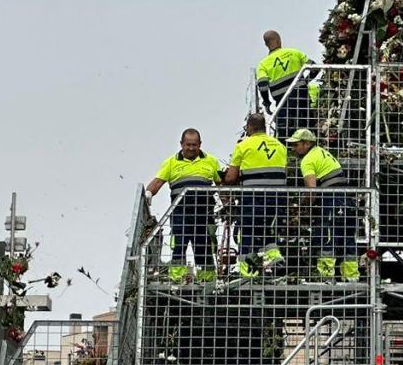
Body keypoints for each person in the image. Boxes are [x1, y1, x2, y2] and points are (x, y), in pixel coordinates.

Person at [145, 128, 222, 283]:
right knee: (179, 245)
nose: (191, 148)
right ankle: (177, 279)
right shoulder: (171, 162)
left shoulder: (211, 161)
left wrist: (227, 201)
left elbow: (222, 184)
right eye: (188, 145)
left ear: (200, 144)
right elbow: (158, 181)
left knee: (205, 247)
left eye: (194, 145)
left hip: (204, 213)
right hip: (181, 213)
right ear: (181, 144)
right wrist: (148, 194)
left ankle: (207, 281)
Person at [288, 128, 359, 282]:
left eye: (296, 145)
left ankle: (325, 277)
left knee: (327, 238)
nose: (293, 148)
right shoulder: (321, 152)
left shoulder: (307, 160)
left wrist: (304, 208)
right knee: (347, 239)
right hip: (347, 200)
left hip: (331, 200)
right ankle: (351, 277)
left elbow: (312, 189)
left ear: (306, 144)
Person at [223, 113, 289, 277]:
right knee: (267, 231)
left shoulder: (244, 146)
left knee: (246, 231)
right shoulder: (280, 146)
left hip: (253, 196)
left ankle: (246, 271)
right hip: (277, 197)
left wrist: (225, 178)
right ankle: (276, 259)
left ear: (250, 127)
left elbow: (231, 178)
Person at [256, 30, 315, 135]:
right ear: (279, 41)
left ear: (266, 44)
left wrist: (267, 103)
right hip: (301, 97)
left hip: (282, 102)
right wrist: (304, 82)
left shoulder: (263, 64)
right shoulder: (295, 53)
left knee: (285, 131)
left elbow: (263, 87)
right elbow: (315, 68)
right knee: (307, 128)